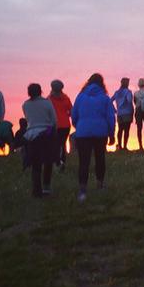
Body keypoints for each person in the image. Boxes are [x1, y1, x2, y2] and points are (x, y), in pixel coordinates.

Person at [71, 73, 116, 202]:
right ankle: (100, 184)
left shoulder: (80, 97)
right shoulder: (105, 98)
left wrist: (79, 126)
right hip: (100, 133)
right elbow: (110, 117)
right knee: (100, 158)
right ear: (102, 83)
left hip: (83, 133)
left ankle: (83, 189)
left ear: (88, 82)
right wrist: (111, 134)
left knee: (83, 161)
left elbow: (74, 115)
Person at [22, 83, 57, 198]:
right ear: (40, 91)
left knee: (35, 164)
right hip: (46, 134)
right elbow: (54, 119)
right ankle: (46, 187)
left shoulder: (25, 105)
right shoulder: (47, 103)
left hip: (31, 135)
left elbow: (28, 118)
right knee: (48, 161)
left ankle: (36, 190)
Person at [49, 80, 73, 171]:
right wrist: (65, 114)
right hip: (66, 125)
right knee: (62, 144)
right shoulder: (66, 98)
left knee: (55, 145)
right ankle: (63, 162)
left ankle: (57, 163)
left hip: (54, 125)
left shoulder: (49, 99)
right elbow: (71, 111)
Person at [111, 78, 134, 151]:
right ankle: (125, 146)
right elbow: (129, 101)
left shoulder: (117, 92)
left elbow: (110, 101)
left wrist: (114, 110)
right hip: (127, 113)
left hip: (119, 114)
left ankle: (120, 146)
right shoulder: (128, 92)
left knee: (120, 130)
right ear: (126, 83)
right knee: (126, 130)